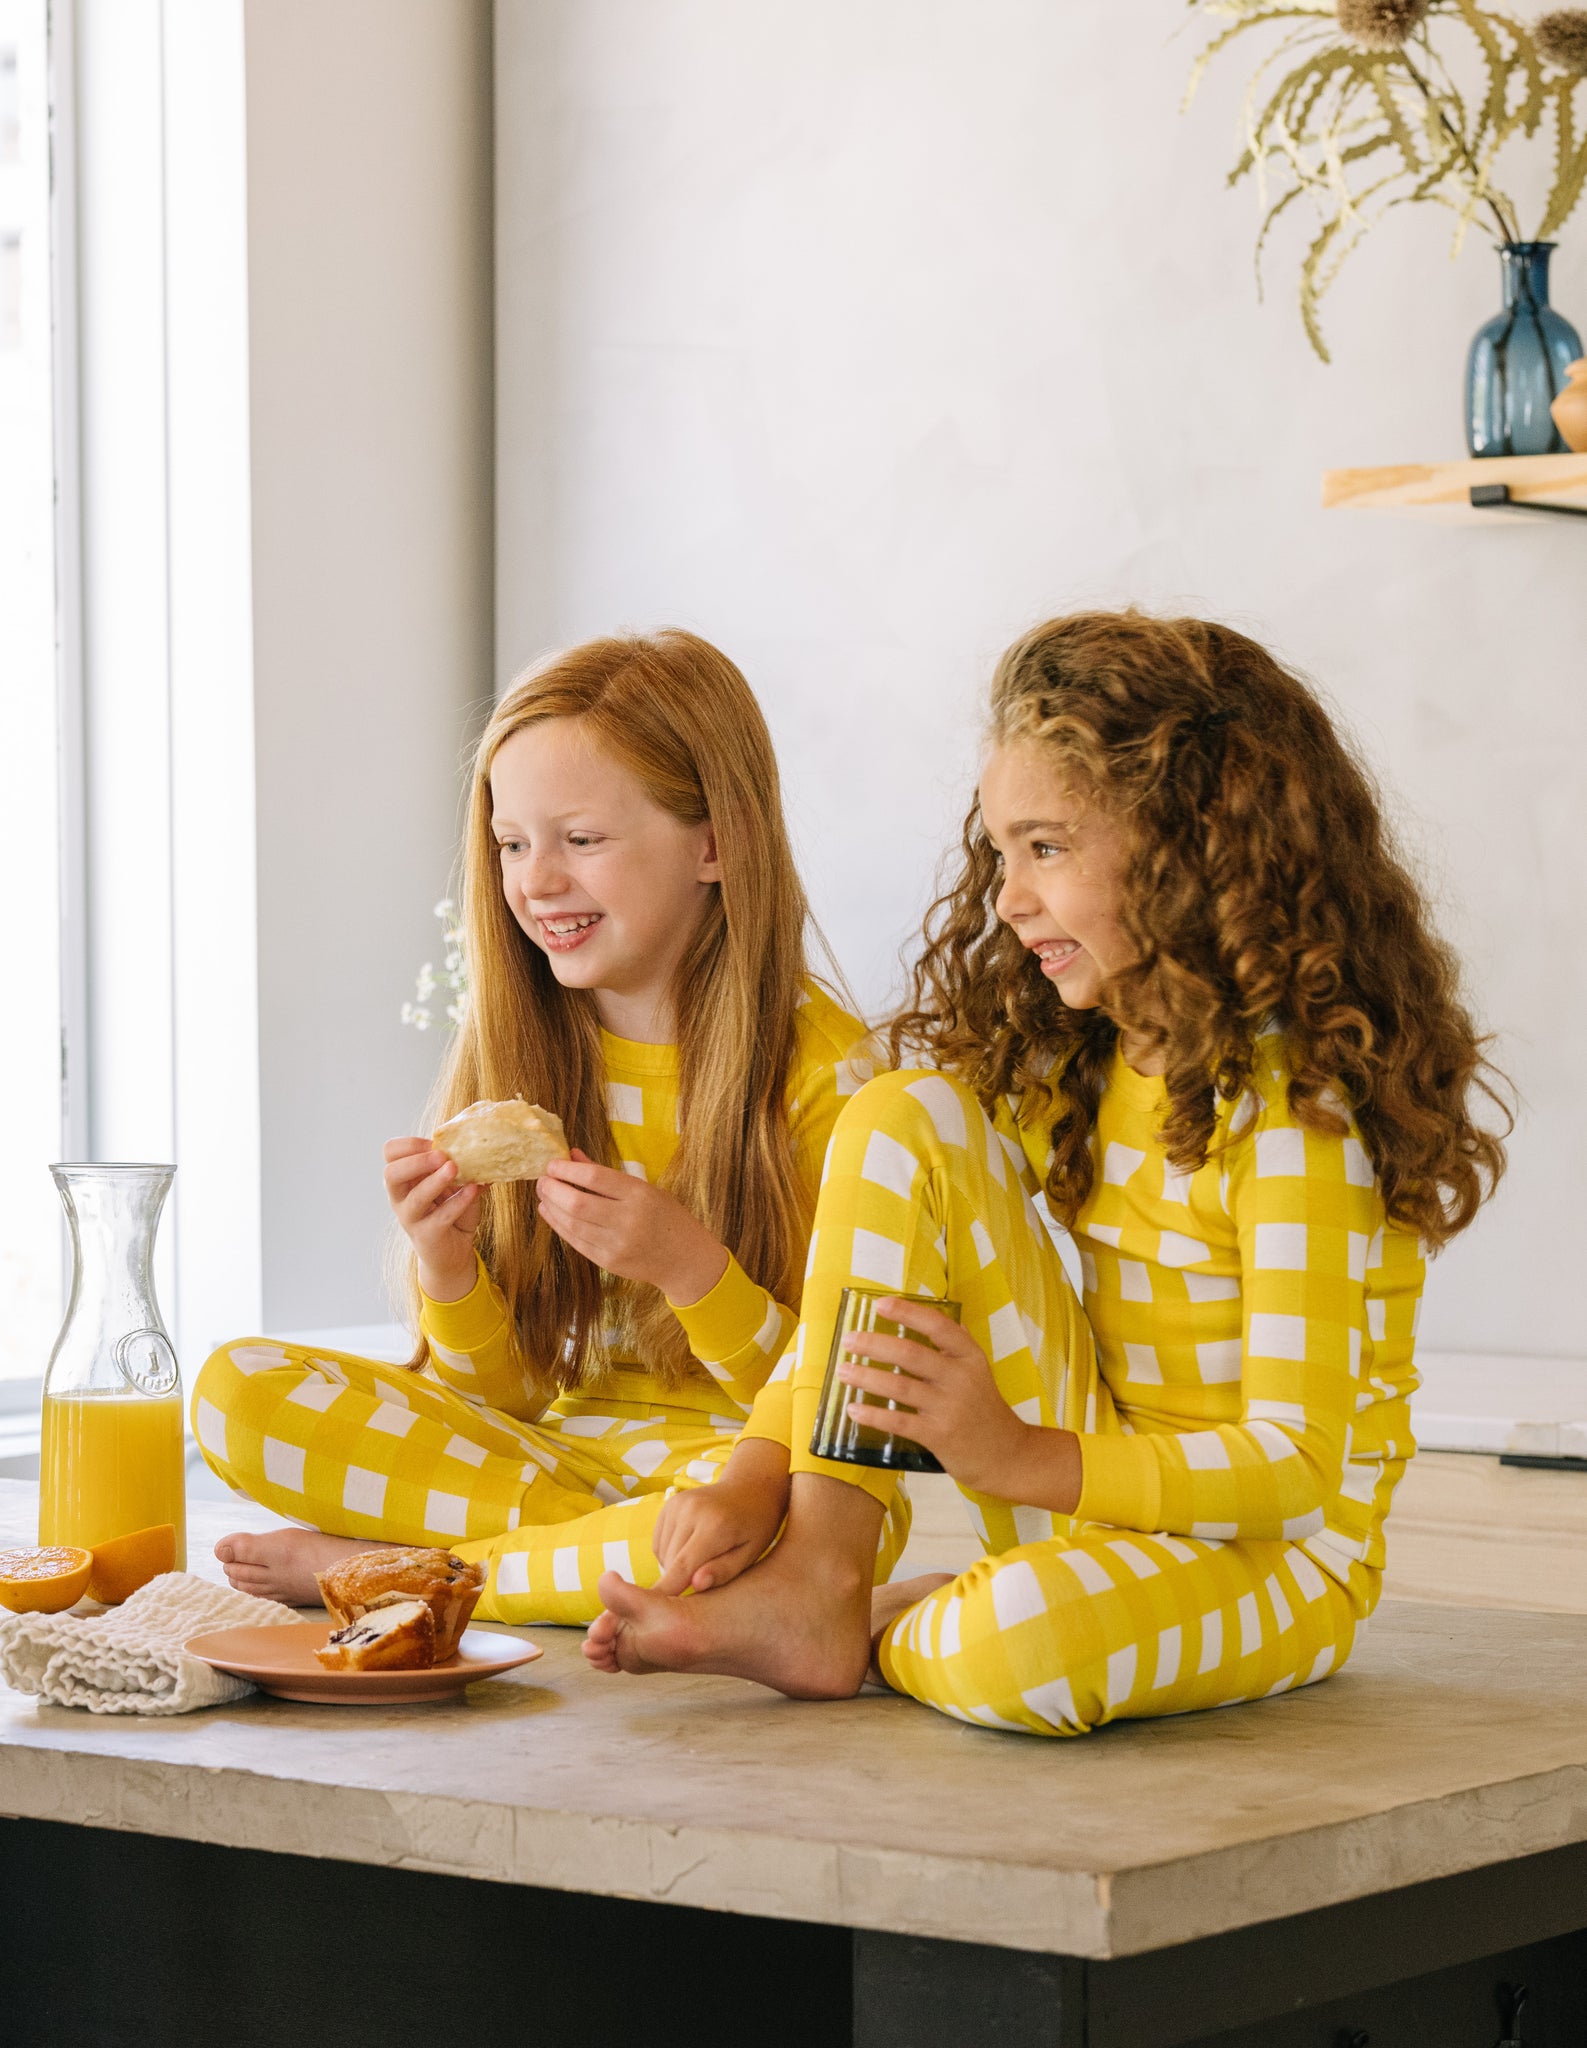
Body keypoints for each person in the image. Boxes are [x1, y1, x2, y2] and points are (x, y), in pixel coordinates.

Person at [583, 610, 1509, 1735]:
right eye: (1001, 851)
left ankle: (876, 1620)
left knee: (1016, 1645)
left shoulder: (1292, 1115)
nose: (1010, 896)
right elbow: (859, 1291)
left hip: (1277, 1565)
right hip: (1094, 1502)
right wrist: (757, 1463)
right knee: (900, 1112)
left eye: (1048, 847)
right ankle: (821, 1569)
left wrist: (1015, 1453)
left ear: (1189, 842)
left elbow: (1295, 1467)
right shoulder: (1089, 1058)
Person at [198, 630, 904, 1622]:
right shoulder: (515, 1049)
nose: (535, 881)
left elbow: (830, 1393)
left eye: (582, 840)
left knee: (789, 1527)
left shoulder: (835, 1077)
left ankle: (402, 1572)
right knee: (236, 1390)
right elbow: (508, 1401)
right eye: (512, 843)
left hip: (739, 1464)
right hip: (555, 1461)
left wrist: (688, 1267)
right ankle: (548, 1558)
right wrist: (448, 1267)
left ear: (714, 841)